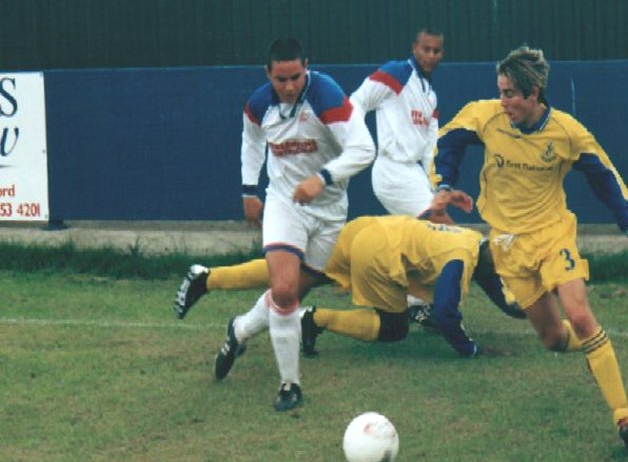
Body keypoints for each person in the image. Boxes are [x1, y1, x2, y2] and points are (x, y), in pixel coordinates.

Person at [430, 45, 628, 452]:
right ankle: (595, 346)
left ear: (533, 93)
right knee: (554, 339)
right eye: (500, 92)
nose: (503, 102)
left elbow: (604, 176)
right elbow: (447, 140)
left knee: (580, 315)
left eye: (510, 95)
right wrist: (444, 187)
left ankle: (624, 416)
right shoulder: (485, 116)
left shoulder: (567, 132)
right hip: (508, 245)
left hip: (554, 236)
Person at [174, 29, 449, 328]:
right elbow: (356, 105)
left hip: (340, 200)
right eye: (426, 49)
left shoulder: (427, 93)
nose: (431, 56)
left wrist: (436, 183)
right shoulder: (395, 73)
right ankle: (424, 303)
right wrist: (250, 189)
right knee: (438, 233)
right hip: (371, 179)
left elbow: (420, 145)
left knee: (301, 277)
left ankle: (215, 290)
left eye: (437, 50)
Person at [212, 36, 375, 412]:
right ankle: (290, 384)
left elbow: (365, 149)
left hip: (331, 211)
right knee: (283, 290)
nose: (288, 87)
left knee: (291, 297)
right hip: (284, 204)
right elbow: (251, 143)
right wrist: (249, 190)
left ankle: (239, 331)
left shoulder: (327, 95)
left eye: (296, 77)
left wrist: (323, 178)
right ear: (267, 74)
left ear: (307, 67)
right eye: (280, 79)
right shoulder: (257, 105)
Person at [299, 215, 526, 357]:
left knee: (302, 273)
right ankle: (314, 320)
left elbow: (496, 289)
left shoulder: (475, 241)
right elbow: (444, 313)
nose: (500, 273)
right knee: (394, 329)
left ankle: (283, 291)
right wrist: (470, 349)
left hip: (375, 228)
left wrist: (538, 311)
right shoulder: (460, 259)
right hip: (379, 252)